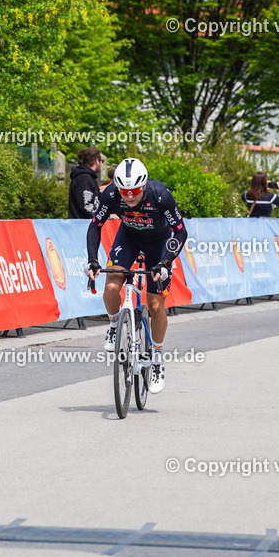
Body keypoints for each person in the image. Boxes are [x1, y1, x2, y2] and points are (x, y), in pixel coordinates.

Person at [85, 157, 187, 394]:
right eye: (124, 192)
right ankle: (113, 324)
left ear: (144, 186)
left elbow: (181, 232)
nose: (129, 197)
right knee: (111, 288)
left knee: (154, 304)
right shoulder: (110, 194)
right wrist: (92, 260)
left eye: (135, 191)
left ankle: (158, 358)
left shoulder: (161, 195)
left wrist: (165, 262)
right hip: (128, 238)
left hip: (159, 244)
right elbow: (95, 226)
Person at [68, 147, 105, 219]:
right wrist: (105, 217)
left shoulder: (87, 178)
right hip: (82, 226)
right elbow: (87, 207)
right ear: (97, 161)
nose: (101, 164)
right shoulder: (84, 179)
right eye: (102, 161)